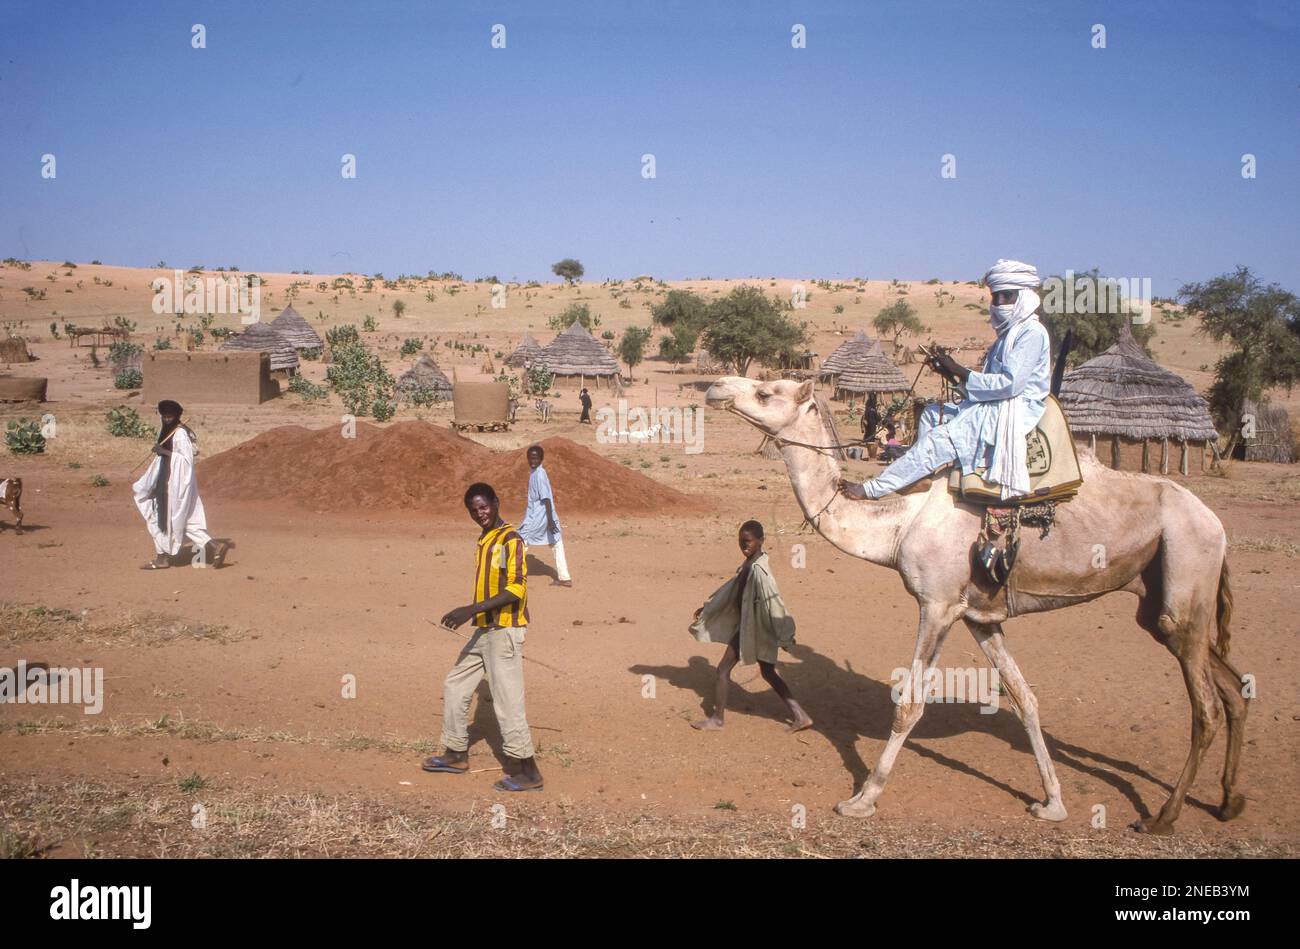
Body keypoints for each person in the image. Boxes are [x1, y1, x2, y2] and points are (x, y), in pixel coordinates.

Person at [840, 259, 1051, 501]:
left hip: (1015, 408)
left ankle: (871, 489)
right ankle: (921, 475)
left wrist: (958, 368)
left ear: (1023, 297)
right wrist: (947, 372)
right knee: (930, 413)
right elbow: (984, 387)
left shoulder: (1031, 333)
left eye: (1007, 296)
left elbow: (1009, 385)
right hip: (995, 403)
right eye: (996, 297)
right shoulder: (1005, 337)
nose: (1000, 303)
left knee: (940, 439)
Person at [423, 482, 544, 792]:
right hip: (485, 631)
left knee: (507, 702)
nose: (480, 513)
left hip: (504, 632)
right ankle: (455, 753)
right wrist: (475, 615)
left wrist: (469, 609)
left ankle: (528, 771)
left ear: (496, 502)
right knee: (455, 684)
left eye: (484, 506)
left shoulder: (509, 540)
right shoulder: (486, 539)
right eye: (474, 510)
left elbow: (516, 588)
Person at [689, 520, 811, 733]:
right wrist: (707, 608)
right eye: (740, 542)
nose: (743, 545)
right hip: (750, 627)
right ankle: (801, 715)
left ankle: (717, 720)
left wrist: (784, 633)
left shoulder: (759, 570)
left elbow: (775, 602)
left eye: (747, 542)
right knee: (768, 672)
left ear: (761, 541)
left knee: (722, 670)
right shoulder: (749, 563)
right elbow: (730, 590)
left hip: (753, 629)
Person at [132, 400, 226, 570]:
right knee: (173, 519)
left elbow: (186, 461)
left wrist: (164, 452)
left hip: (175, 486)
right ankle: (214, 547)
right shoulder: (168, 431)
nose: (167, 420)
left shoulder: (180, 434)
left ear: (176, 417)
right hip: (165, 481)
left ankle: (162, 559)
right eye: (164, 417)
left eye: (170, 417)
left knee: (168, 519)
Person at [518, 444, 571, 587]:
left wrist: (550, 521)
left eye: (535, 458)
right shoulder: (535, 473)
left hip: (539, 516)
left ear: (541, 459)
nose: (532, 461)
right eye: (530, 458)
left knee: (519, 541)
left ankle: (505, 572)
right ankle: (565, 577)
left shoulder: (539, 474)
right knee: (556, 543)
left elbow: (546, 498)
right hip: (544, 515)